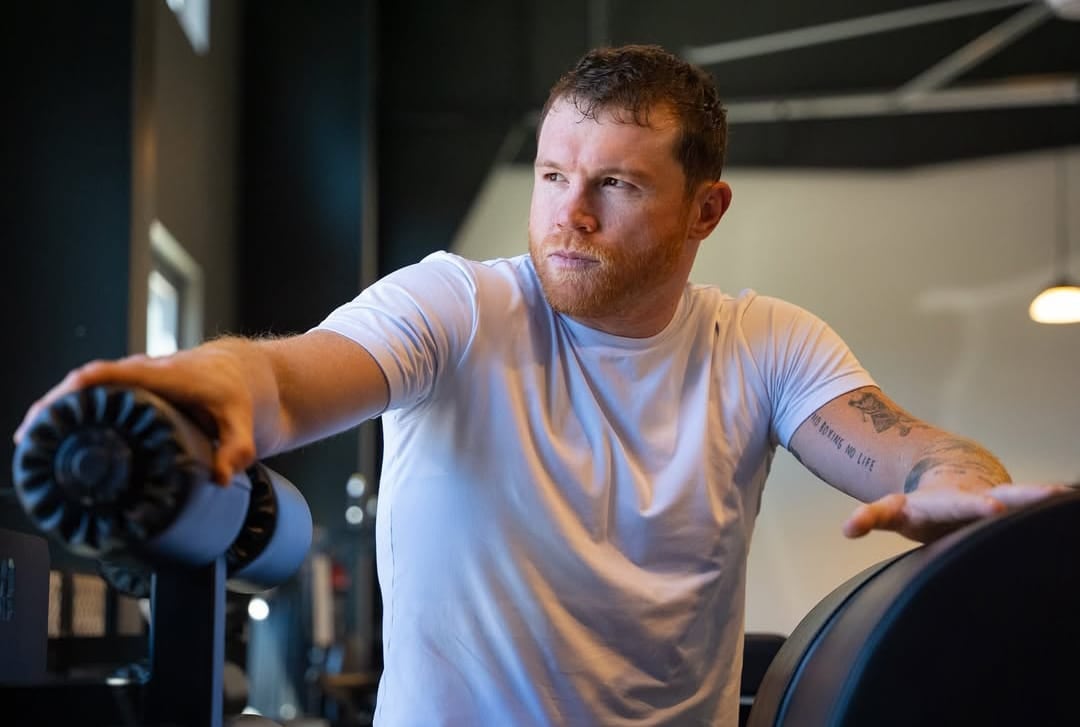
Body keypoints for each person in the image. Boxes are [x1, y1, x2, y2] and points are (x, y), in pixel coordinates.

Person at [16, 45, 1064, 726]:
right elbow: (288, 376)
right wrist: (208, 376)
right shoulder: (458, 305)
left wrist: (963, 488)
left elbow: (919, 452)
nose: (570, 213)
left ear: (705, 211)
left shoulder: (762, 342)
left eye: (616, 184)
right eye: (555, 176)